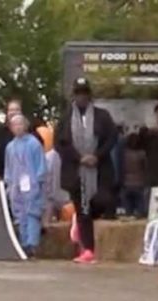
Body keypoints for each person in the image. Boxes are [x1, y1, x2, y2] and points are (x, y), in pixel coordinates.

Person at [55, 77, 118, 264]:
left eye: (85, 94)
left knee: (101, 202)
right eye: (78, 94)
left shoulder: (102, 116)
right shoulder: (65, 119)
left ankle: (81, 224)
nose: (82, 97)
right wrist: (79, 157)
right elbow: (61, 143)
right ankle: (88, 249)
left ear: (90, 96)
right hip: (76, 172)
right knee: (84, 211)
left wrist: (96, 156)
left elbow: (112, 138)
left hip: (99, 171)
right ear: (73, 96)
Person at [3, 114, 46, 257]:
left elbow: (41, 164)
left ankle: (32, 244)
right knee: (19, 214)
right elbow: (8, 167)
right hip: (16, 185)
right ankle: (23, 243)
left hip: (32, 184)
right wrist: (9, 183)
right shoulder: (10, 147)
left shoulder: (34, 144)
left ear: (25, 125)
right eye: (14, 125)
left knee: (32, 213)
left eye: (20, 124)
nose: (17, 127)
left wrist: (39, 181)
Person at [0, 98, 43, 176]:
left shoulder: (32, 134)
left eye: (17, 110)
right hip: (3, 176)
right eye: (10, 110)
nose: (13, 112)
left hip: (28, 177)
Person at [120, 128, 149, 219]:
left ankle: (129, 217)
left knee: (128, 208)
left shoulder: (124, 154)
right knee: (140, 207)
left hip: (126, 182)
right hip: (139, 182)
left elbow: (121, 168)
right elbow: (145, 167)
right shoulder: (142, 154)